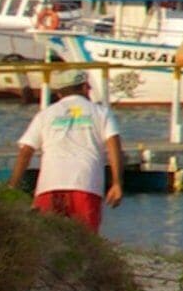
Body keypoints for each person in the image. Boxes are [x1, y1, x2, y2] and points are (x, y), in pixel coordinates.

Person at [12, 76, 123, 233]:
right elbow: (113, 144)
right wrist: (117, 182)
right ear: (85, 88)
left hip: (49, 184)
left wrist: (13, 186)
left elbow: (25, 152)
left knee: (45, 239)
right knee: (87, 241)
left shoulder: (45, 115)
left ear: (59, 94)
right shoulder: (101, 112)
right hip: (85, 182)